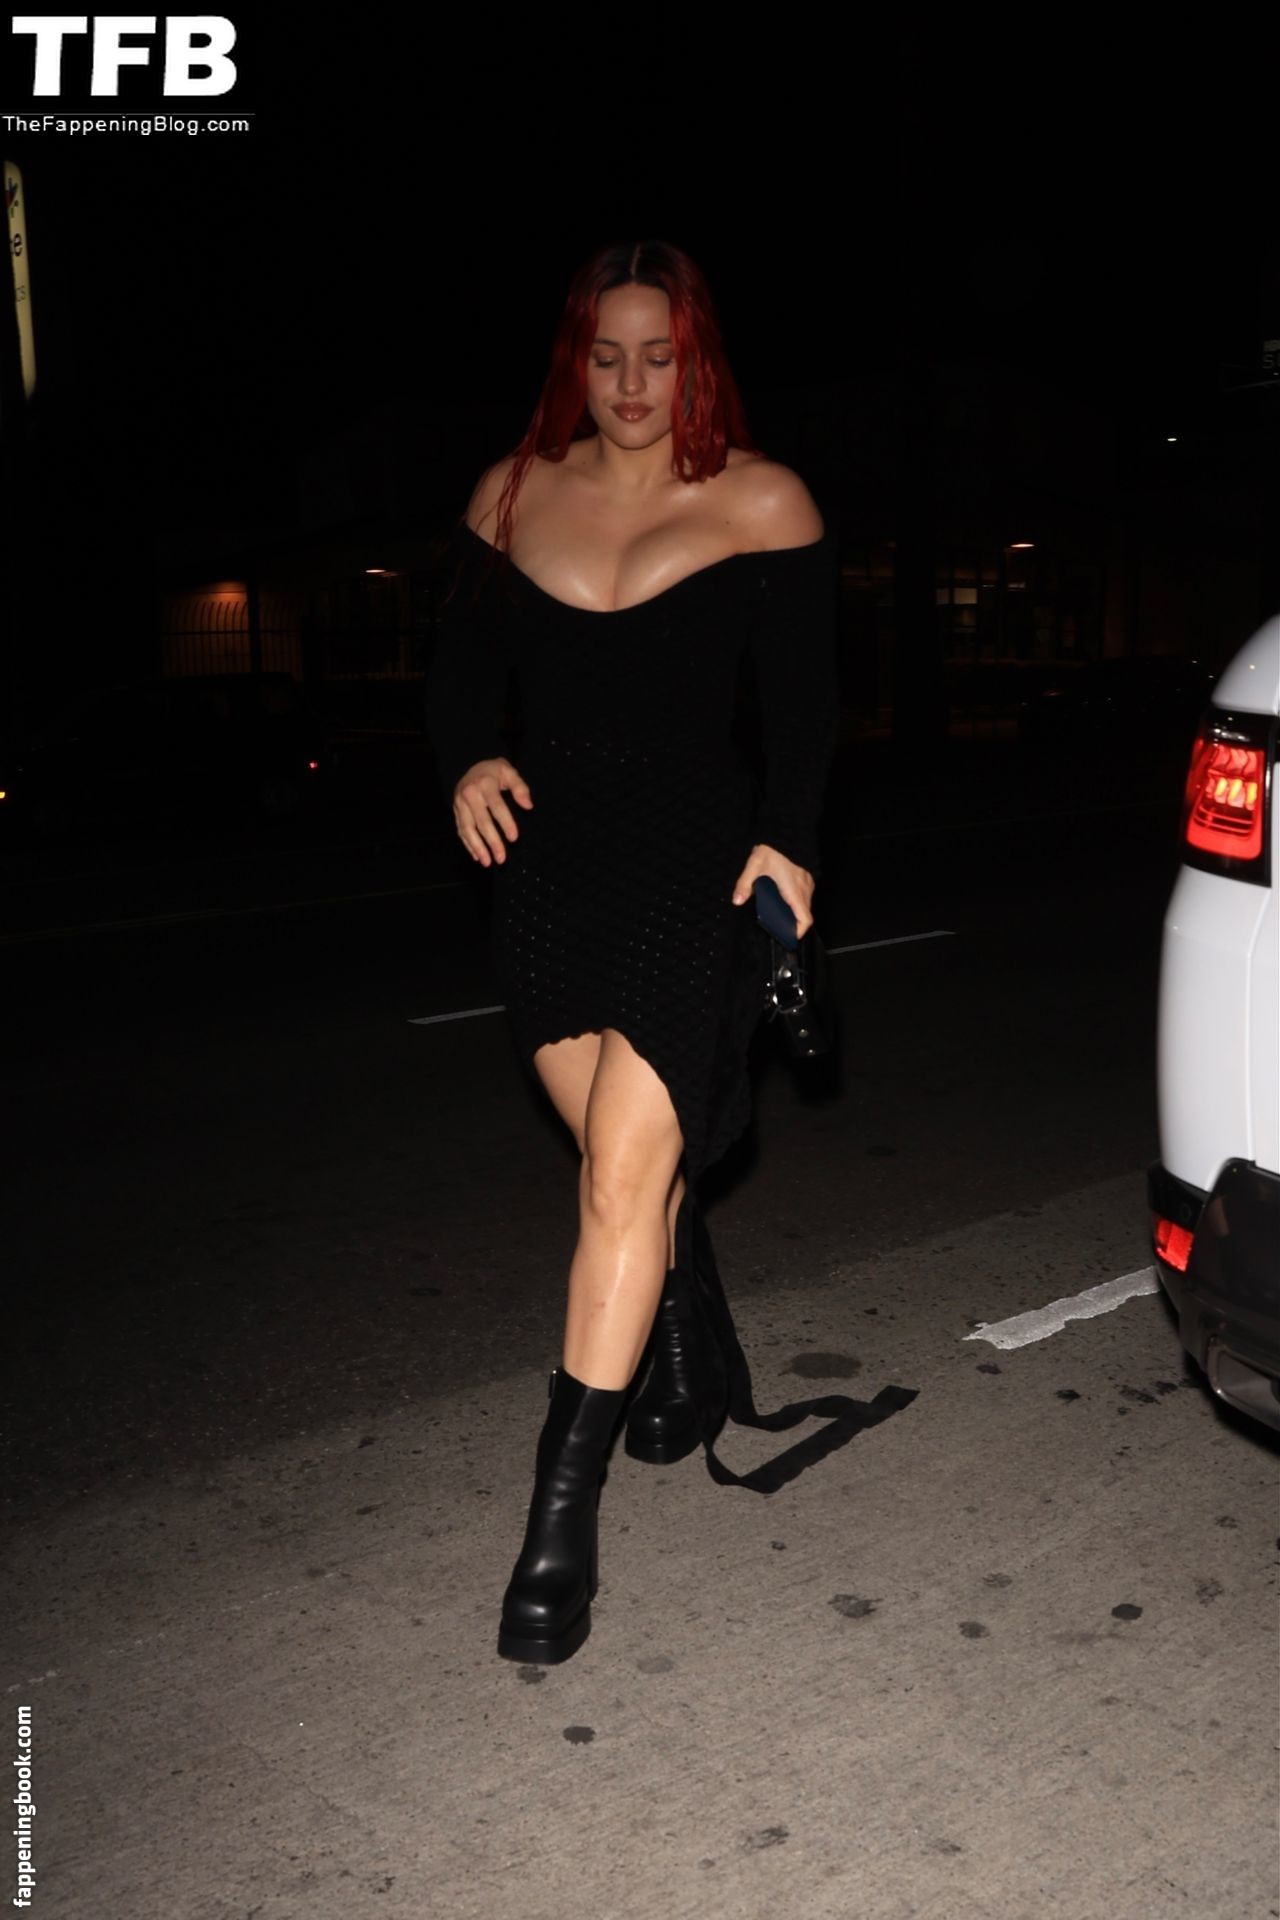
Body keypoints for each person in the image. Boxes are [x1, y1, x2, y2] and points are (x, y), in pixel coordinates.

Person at [424, 239, 914, 1666]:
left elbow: (808, 709)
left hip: (693, 866)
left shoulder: (761, 499)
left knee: (621, 1176)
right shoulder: (511, 494)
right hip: (548, 873)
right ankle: (683, 1335)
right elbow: (457, 680)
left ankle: (554, 1530)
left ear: (696, 359)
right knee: (622, 1165)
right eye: (608, 355)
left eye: (661, 355)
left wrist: (789, 842)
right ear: (574, 360)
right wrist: (466, 763)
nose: (633, 383)